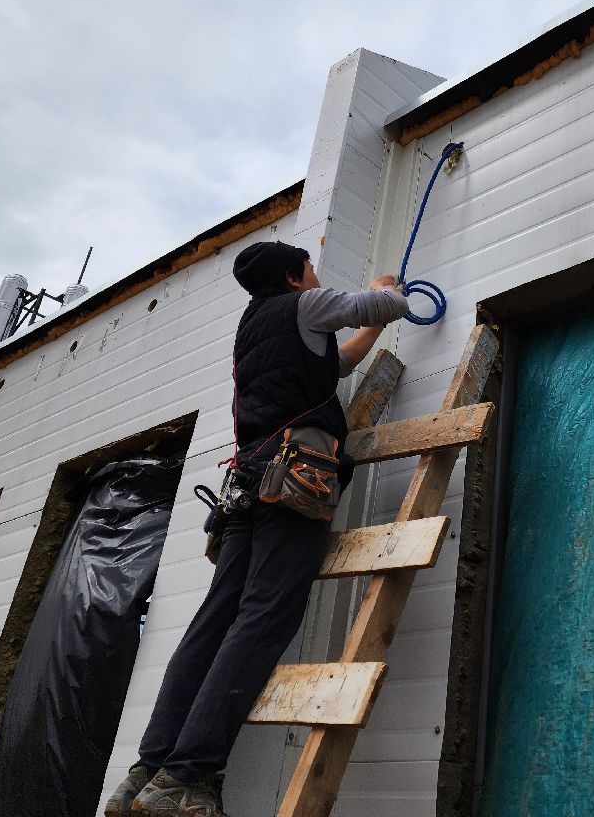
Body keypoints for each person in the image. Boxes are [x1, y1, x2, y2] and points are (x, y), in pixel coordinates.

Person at [105, 240, 407, 817]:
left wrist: (371, 330)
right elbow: (378, 307)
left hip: (251, 477)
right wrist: (388, 287)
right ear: (296, 278)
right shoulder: (303, 304)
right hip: (294, 476)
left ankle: (150, 770)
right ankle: (189, 776)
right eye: (312, 269)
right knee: (266, 612)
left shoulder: (256, 325)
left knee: (219, 616)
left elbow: (333, 366)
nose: (318, 276)